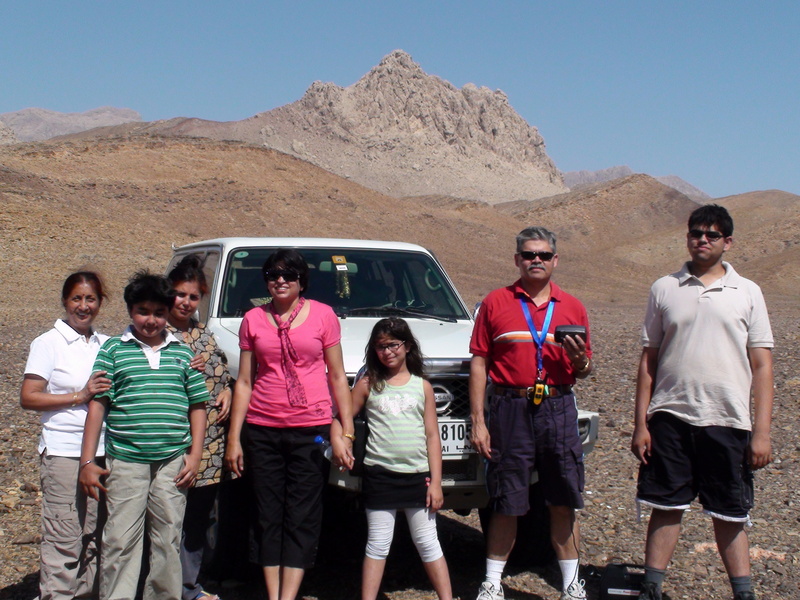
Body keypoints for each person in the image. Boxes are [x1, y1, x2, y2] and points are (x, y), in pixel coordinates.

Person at [631, 204, 774, 600]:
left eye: (712, 235)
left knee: (730, 512)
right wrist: (641, 423)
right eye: (697, 233)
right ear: (688, 237)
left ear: (728, 242)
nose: (703, 240)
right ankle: (652, 588)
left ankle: (742, 593)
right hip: (670, 415)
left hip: (728, 418)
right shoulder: (665, 288)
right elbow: (649, 360)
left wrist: (761, 431)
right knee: (666, 504)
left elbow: (761, 364)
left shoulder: (748, 293)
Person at [470, 226, 593, 600]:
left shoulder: (572, 306)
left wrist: (579, 359)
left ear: (555, 260)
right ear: (517, 260)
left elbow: (585, 369)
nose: (535, 261)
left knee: (562, 495)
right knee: (507, 497)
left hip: (557, 405)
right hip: (510, 407)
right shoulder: (495, 302)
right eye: (528, 255)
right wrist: (478, 420)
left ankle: (571, 584)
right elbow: (479, 361)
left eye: (542, 255)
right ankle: (492, 582)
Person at [224, 249, 354, 600]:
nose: (280, 280)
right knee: (267, 514)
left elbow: (338, 377)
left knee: (302, 514)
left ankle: (289, 595)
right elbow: (245, 383)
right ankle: (272, 594)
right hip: (263, 428)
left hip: (309, 428)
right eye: (272, 274)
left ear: (301, 280)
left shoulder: (324, 316)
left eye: (289, 274)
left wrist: (345, 429)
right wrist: (234, 439)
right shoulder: (252, 318)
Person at [79, 271, 210, 600]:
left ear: (169, 313)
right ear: (129, 310)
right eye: (143, 311)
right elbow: (98, 406)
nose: (151, 320)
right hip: (125, 461)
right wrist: (87, 461)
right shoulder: (113, 350)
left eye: (159, 312)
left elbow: (197, 405)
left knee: (167, 539)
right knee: (120, 540)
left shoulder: (182, 354)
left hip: (172, 463)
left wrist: (194, 455)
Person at [334, 317, 453, 600]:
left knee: (427, 542)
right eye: (380, 347)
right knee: (377, 544)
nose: (387, 352)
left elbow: (433, 437)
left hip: (418, 476)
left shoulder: (422, 386)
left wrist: (436, 483)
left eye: (393, 345)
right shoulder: (368, 384)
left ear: (407, 346)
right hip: (380, 476)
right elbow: (342, 416)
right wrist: (340, 440)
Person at [20, 271, 112, 600]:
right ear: (64, 300)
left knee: (94, 536)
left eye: (90, 299)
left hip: (102, 452)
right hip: (63, 452)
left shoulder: (105, 344)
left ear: (101, 303)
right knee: (63, 536)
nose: (83, 306)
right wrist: (80, 395)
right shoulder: (48, 343)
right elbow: (29, 396)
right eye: (76, 298)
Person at [167, 255, 233, 600]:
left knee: (198, 517)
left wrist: (228, 392)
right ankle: (162, 585)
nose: (186, 302)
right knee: (166, 517)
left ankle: (189, 586)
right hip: (172, 442)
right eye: (179, 294)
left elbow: (222, 372)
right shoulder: (154, 333)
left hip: (209, 444)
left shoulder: (203, 333)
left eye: (193, 297)